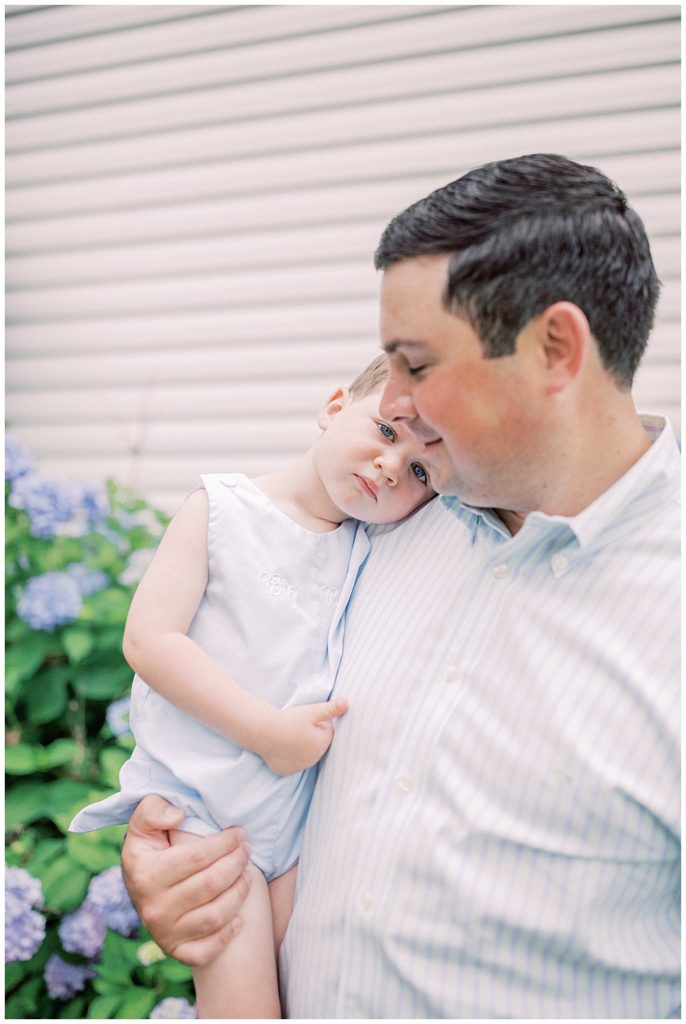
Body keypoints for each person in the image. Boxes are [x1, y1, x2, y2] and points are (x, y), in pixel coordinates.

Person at [121, 153, 681, 1018]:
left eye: (418, 365)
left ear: (555, 349)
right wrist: (179, 873)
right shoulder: (371, 529)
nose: (401, 407)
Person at [69, 355, 435, 1018]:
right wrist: (267, 733)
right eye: (387, 433)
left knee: (313, 994)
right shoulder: (222, 510)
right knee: (245, 1009)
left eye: (418, 472)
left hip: (297, 831)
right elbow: (150, 641)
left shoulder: (370, 548)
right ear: (332, 407)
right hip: (209, 814)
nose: (390, 467)